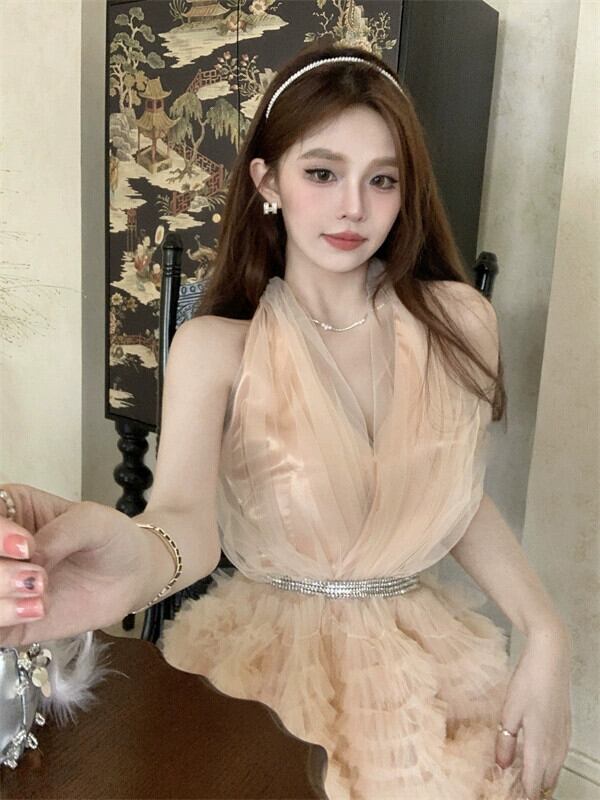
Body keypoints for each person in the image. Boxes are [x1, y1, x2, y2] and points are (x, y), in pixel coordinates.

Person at [0, 40, 572, 800]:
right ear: (268, 180)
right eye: (323, 173)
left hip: (429, 667)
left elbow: (455, 501)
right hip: (271, 664)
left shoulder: (458, 322)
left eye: (383, 180)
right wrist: (131, 561)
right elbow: (184, 518)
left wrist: (546, 632)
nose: (353, 207)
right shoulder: (216, 348)